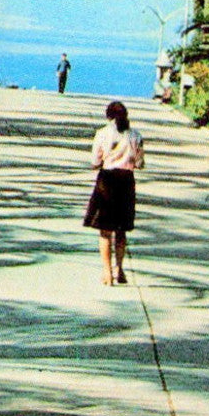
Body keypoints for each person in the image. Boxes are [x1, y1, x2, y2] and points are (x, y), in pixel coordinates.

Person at [83, 101, 144, 286]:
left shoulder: (102, 133)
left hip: (107, 181)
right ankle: (119, 269)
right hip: (126, 181)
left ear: (108, 116)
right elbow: (140, 163)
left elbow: (95, 160)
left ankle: (107, 272)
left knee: (105, 230)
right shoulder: (135, 135)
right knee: (121, 230)